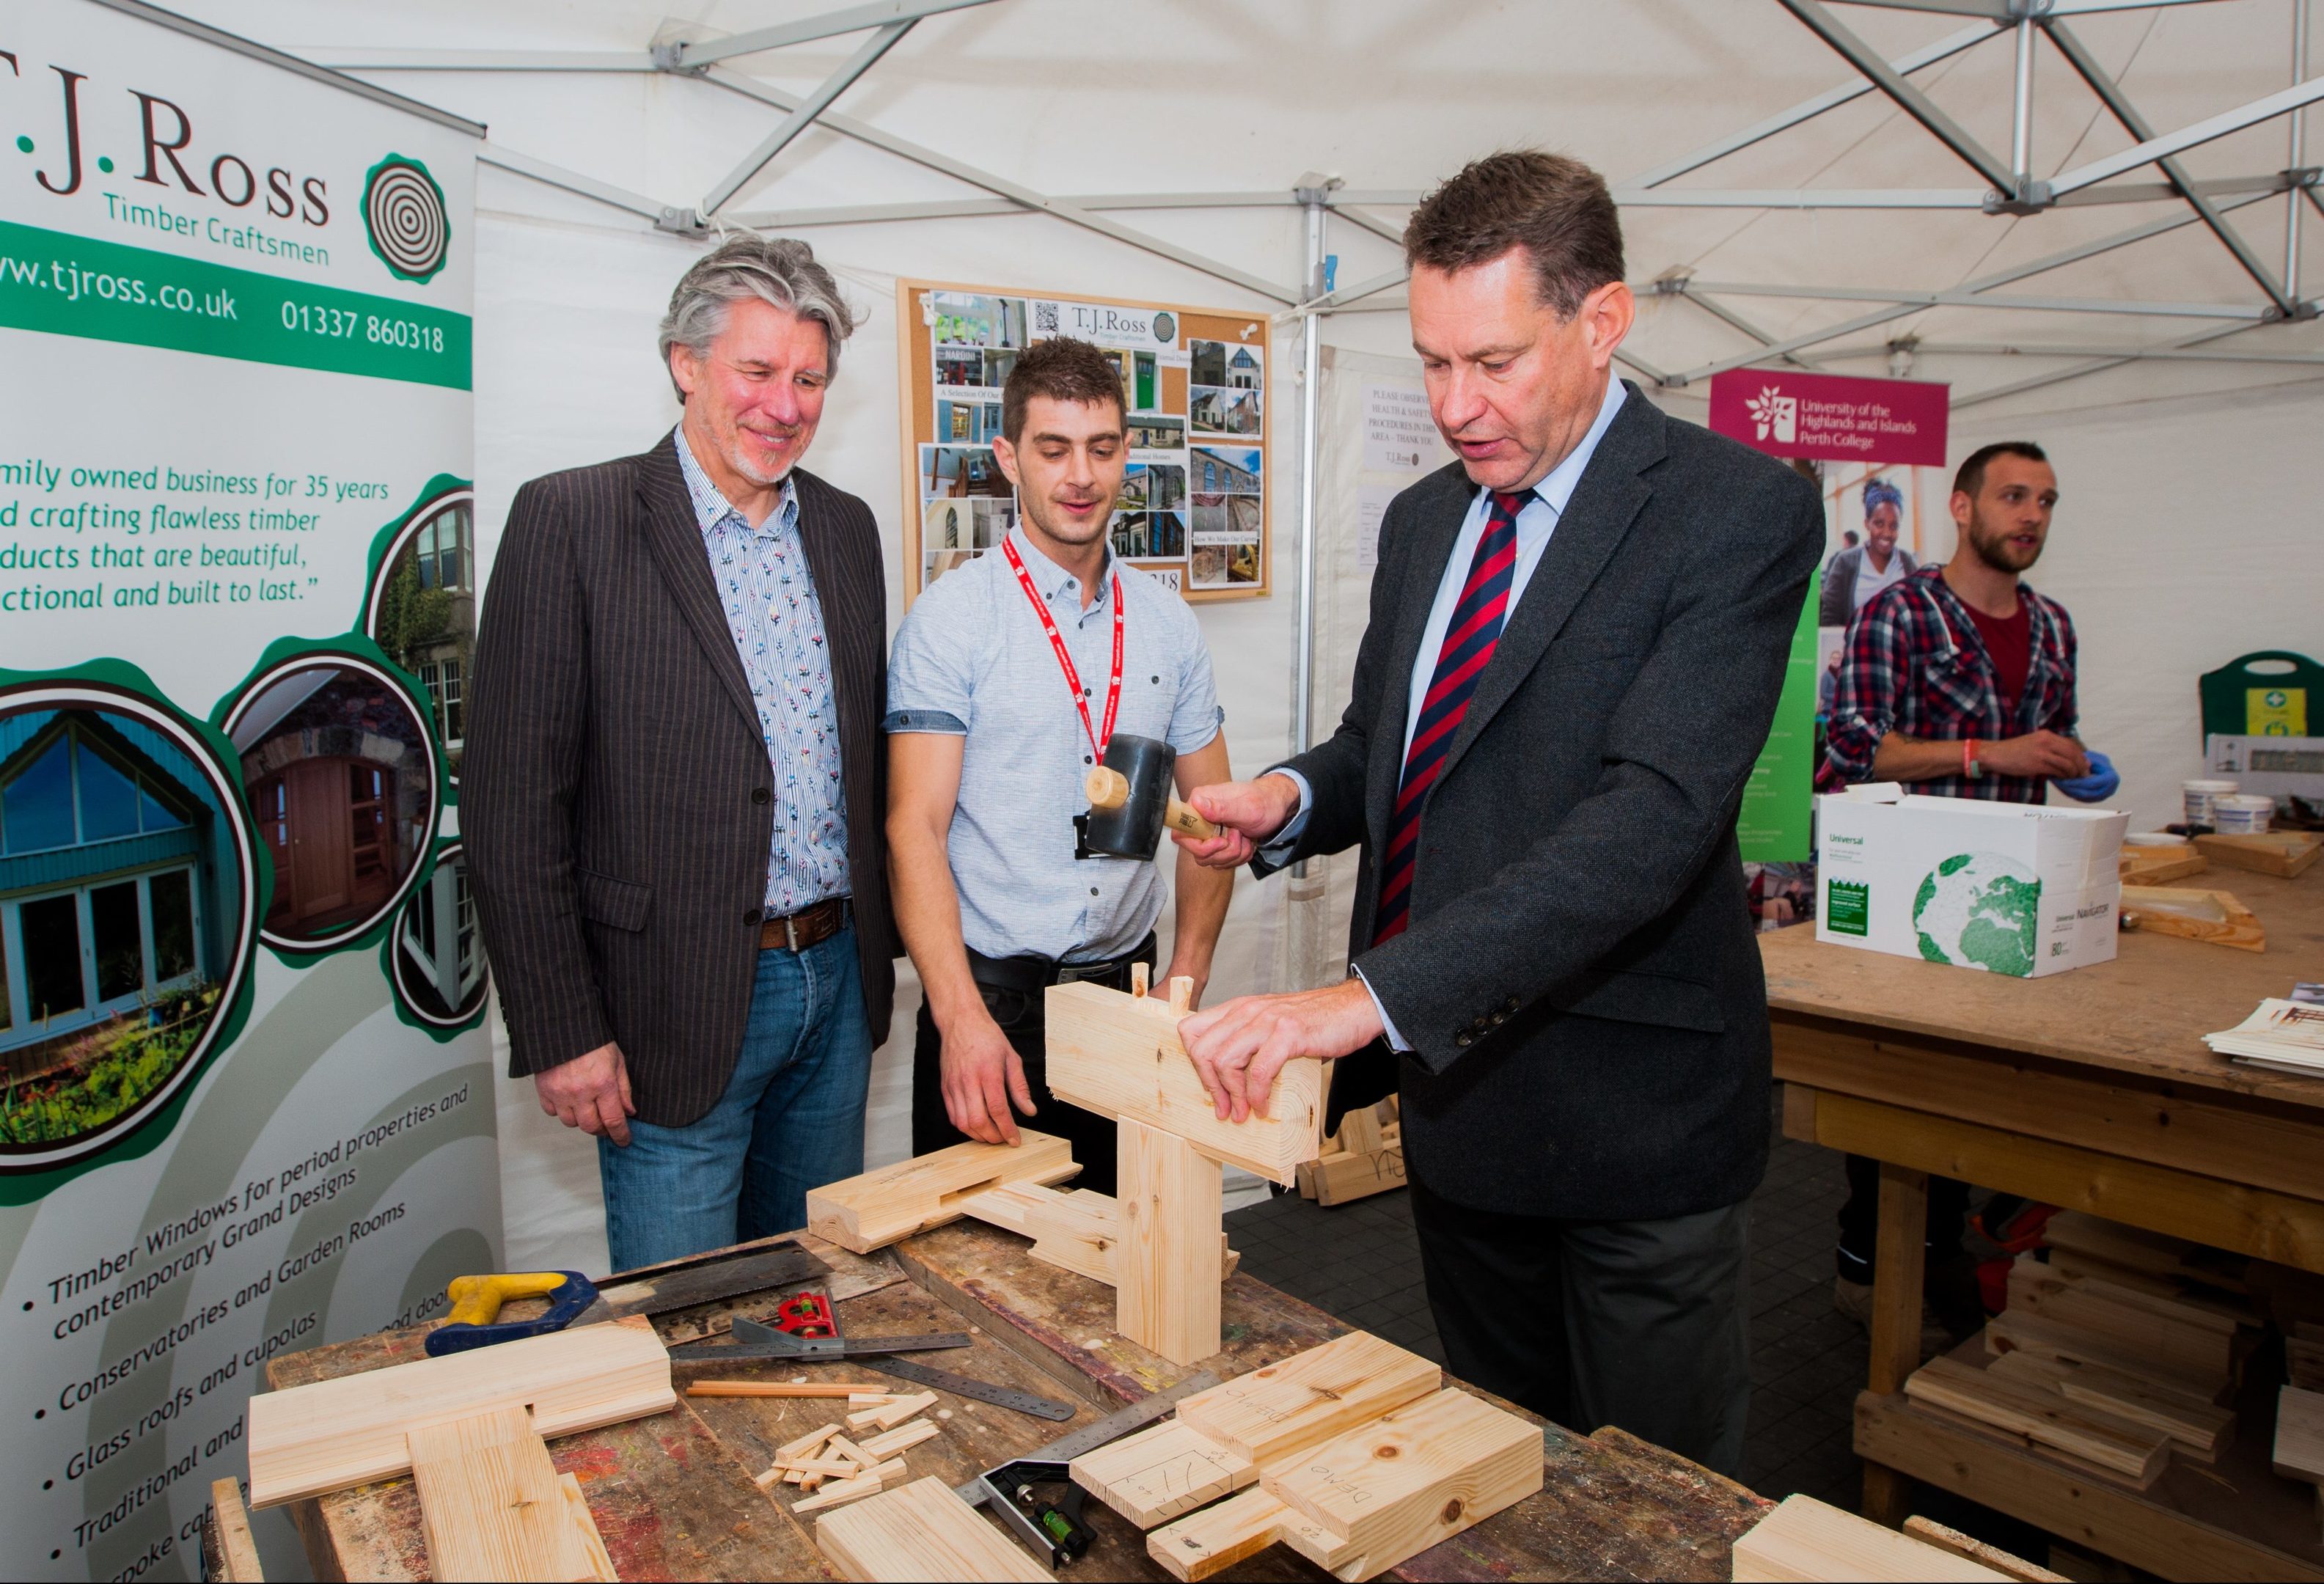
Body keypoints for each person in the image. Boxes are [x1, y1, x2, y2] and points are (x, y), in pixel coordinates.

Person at [1171, 151, 1822, 1474]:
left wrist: (1359, 999)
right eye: (1429, 363)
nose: (1455, 406)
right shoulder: (1425, 522)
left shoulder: (1732, 513)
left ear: (1601, 321)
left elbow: (1649, 821)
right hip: (1462, 1107)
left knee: (1659, 1505)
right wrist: (1288, 797)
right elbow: (1393, 744)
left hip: (1631, 1118)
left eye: (1493, 363)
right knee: (1497, 1474)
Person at [465, 236, 895, 1271]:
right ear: (685, 364)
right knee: (686, 1323)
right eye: (757, 372)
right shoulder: (573, 519)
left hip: (833, 985)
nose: (783, 406)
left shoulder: (845, 531)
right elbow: (511, 809)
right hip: (667, 1003)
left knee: (807, 1290)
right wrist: (563, 1028)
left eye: (808, 379)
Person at [886, 337, 1234, 1196]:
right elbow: (913, 828)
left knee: (1134, 1267)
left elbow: (1213, 821)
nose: (1079, 475)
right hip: (994, 1009)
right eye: (1053, 449)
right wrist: (957, 1015)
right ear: (1009, 458)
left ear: (1125, 454)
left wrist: (1182, 985)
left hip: (1130, 995)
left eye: (1102, 448)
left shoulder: (1166, 625)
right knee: (986, 1275)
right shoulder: (951, 620)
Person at [1822, 439, 2117, 1330]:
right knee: (1895, 1102)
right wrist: (1992, 752)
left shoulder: (2055, 625)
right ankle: (1867, 1272)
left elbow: (2045, 743)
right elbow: (1853, 753)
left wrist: (2073, 765)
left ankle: (1945, 1256)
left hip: (2010, 907)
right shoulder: (1901, 616)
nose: (2032, 516)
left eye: (2047, 502)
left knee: (1983, 1096)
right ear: (1960, 507)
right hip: (1913, 911)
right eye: (2015, 496)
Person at [1818, 477, 1918, 627]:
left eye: (1894, 526)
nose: (1887, 533)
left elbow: (1918, 612)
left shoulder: (1906, 562)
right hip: (1856, 648)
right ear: (1867, 524)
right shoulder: (1846, 562)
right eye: (1879, 524)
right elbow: (1829, 617)